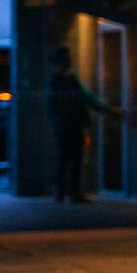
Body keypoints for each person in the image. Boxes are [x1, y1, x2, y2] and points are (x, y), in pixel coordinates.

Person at [47, 47, 121, 203]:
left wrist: (107, 109)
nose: (68, 63)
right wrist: (108, 110)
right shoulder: (58, 81)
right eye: (66, 60)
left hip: (71, 125)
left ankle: (67, 191)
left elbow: (86, 97)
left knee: (71, 158)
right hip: (67, 125)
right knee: (69, 158)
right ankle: (67, 191)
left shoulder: (67, 80)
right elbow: (83, 98)